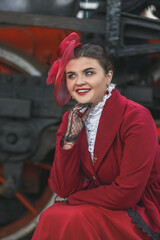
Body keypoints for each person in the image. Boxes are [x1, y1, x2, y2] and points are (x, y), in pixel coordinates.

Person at [32, 32, 160, 240]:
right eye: (71, 75)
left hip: (141, 209)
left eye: (88, 73)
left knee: (76, 217)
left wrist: (74, 198)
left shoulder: (136, 117)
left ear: (108, 76)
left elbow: (127, 193)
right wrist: (69, 140)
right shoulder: (72, 119)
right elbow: (62, 188)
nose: (79, 82)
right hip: (99, 204)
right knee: (50, 215)